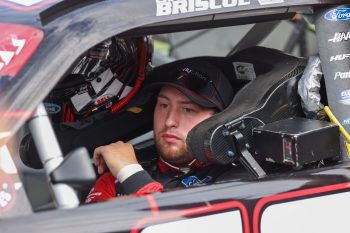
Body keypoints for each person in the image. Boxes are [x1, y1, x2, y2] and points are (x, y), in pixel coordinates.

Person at [85, 60, 234, 203]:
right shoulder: (118, 175)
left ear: (218, 120)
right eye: (163, 105)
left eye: (188, 109)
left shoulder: (240, 175)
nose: (169, 121)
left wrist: (132, 174)